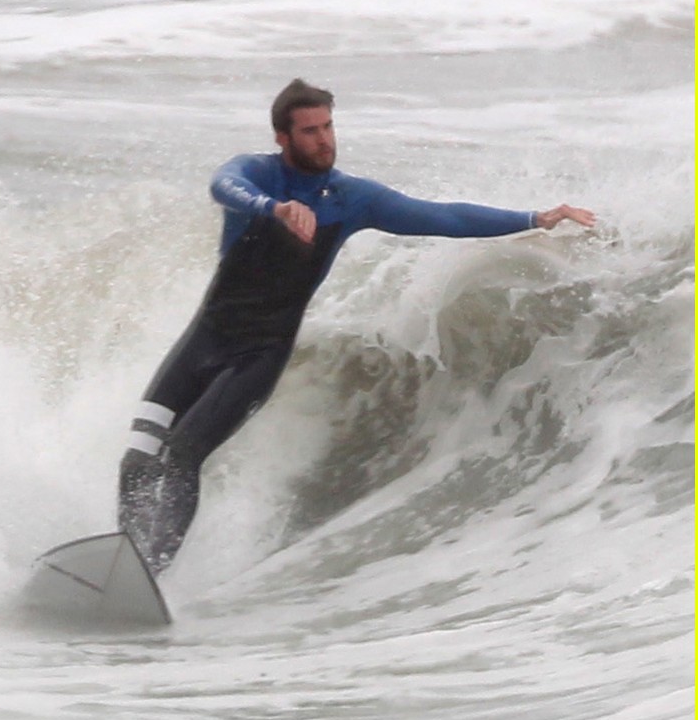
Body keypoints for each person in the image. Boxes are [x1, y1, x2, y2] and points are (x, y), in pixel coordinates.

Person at [118, 79, 595, 574]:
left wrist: (537, 217)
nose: (324, 140)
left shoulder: (349, 199)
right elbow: (224, 185)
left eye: (328, 126)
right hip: (202, 341)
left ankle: (148, 569)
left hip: (257, 356)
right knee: (137, 456)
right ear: (283, 136)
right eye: (309, 131)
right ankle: (120, 561)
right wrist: (274, 208)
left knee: (182, 454)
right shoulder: (254, 175)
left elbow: (443, 216)